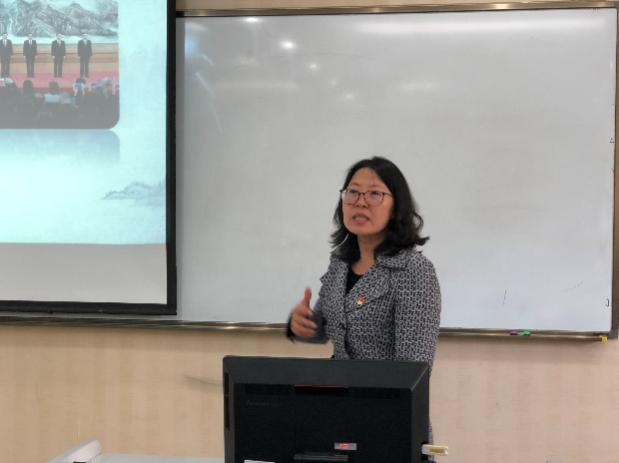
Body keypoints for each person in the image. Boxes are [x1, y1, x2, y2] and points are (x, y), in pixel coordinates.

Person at [287, 157, 441, 439]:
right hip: (337, 413)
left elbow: (414, 369)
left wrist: (367, 410)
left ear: (396, 207)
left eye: (374, 194)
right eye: (353, 192)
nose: (360, 202)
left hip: (390, 420)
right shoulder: (340, 263)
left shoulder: (412, 270)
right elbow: (326, 329)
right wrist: (303, 324)